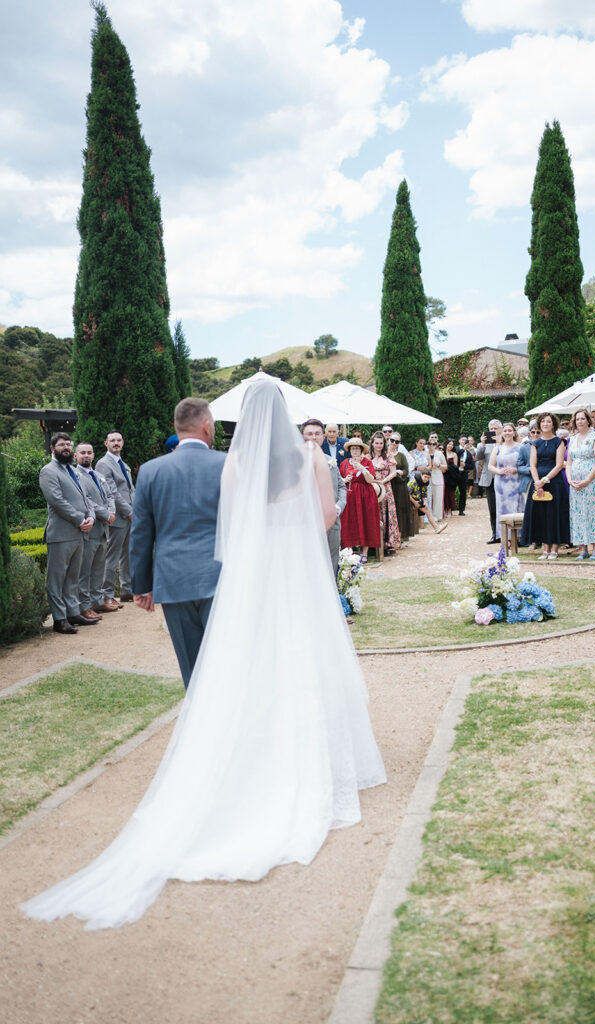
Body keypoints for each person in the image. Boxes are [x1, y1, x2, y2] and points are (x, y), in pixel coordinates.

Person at [22, 377, 386, 930]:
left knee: (209, 670)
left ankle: (213, 738)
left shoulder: (181, 468)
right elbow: (315, 519)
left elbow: (166, 529)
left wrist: (142, 581)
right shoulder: (263, 462)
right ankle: (271, 736)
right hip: (254, 580)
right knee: (271, 664)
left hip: (193, 580)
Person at [129, 398, 227, 689]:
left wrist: (141, 586)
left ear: (177, 426)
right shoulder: (228, 464)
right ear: (207, 426)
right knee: (225, 662)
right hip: (221, 577)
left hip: (173, 581)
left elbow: (141, 533)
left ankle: (199, 727)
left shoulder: (150, 471)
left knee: (192, 668)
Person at [38, 433, 96, 634]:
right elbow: (56, 500)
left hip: (79, 533)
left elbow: (86, 498)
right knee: (57, 579)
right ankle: (59, 619)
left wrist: (91, 518)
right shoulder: (48, 471)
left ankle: (73, 613)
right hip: (61, 534)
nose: (66, 448)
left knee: (72, 577)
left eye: (69, 445)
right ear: (52, 448)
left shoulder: (72, 470)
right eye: (62, 445)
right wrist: (80, 519)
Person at [74, 442, 116, 619]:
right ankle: (84, 606)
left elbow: (110, 495)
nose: (86, 455)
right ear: (76, 456)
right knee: (85, 570)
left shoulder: (99, 475)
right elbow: (87, 501)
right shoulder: (75, 475)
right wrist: (105, 513)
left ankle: (98, 602)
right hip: (90, 530)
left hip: (104, 529)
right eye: (82, 452)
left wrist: (112, 512)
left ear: (93, 455)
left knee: (99, 569)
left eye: (89, 452)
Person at [565, 409, 595, 560]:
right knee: (578, 513)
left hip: (592, 482)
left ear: (588, 420)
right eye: (577, 419)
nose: (579, 421)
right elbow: (569, 462)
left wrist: (587, 480)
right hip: (575, 483)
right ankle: (582, 548)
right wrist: (569, 479)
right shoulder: (572, 439)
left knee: (593, 512)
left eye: (582, 419)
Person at [520, 412, 570, 559]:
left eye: (548, 421)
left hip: (554, 482)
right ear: (539, 424)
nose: (545, 424)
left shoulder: (559, 442)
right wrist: (537, 482)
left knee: (554, 514)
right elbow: (532, 465)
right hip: (537, 484)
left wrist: (545, 480)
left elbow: (559, 464)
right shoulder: (535, 443)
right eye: (543, 422)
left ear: (553, 424)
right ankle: (545, 548)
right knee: (540, 515)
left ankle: (554, 548)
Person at [302, 419, 347, 575]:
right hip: (306, 522)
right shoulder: (295, 462)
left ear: (323, 436)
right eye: (309, 434)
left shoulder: (330, 460)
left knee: (332, 561)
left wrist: (338, 506)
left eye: (317, 434)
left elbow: (341, 487)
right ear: (303, 436)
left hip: (332, 521)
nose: (314, 437)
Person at [96, 430, 135, 605]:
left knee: (128, 555)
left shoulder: (123, 464)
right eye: (112, 440)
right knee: (112, 556)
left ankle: (127, 590)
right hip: (118, 517)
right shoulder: (103, 464)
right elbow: (112, 492)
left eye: (119, 440)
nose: (116, 443)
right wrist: (128, 511)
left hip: (129, 515)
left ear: (123, 442)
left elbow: (130, 489)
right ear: (106, 443)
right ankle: (107, 594)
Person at [339, 439, 381, 562]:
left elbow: (370, 480)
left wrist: (363, 468)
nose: (355, 451)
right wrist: (344, 480)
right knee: (349, 522)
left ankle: (365, 552)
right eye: (353, 449)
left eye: (357, 448)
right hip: (349, 496)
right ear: (350, 450)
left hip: (365, 496)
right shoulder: (345, 463)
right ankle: (349, 551)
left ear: (361, 450)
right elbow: (338, 480)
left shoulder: (367, 462)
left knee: (366, 520)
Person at [489, 423, 524, 540]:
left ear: (514, 432)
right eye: (505, 431)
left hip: (516, 482)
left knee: (517, 507)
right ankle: (505, 537)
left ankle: (518, 537)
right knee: (502, 509)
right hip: (501, 484)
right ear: (502, 433)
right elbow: (490, 466)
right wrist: (499, 472)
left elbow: (526, 465)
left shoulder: (521, 447)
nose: (507, 433)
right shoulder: (498, 448)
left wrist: (516, 469)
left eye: (510, 430)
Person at [370, 431, 401, 553]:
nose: (379, 445)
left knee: (387, 512)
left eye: (381, 443)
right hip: (372, 486)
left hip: (385, 486)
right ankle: (375, 542)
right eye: (376, 443)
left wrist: (383, 481)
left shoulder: (388, 456)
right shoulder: (368, 456)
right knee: (374, 512)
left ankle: (389, 542)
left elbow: (394, 472)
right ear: (372, 443)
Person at [387, 433, 414, 541]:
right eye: (392, 440)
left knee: (400, 510)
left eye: (397, 442)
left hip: (399, 485)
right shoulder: (384, 454)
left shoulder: (401, 456)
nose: (394, 443)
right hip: (387, 484)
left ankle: (400, 534)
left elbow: (407, 470)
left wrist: (400, 471)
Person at [476, 429, 498, 543]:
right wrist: (483, 444)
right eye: (491, 429)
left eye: (496, 429)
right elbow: (478, 457)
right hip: (490, 480)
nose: (493, 431)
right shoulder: (482, 444)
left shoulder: (504, 441)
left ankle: (507, 535)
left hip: (503, 479)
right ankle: (495, 534)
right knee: (492, 508)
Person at [428, 438, 446, 520]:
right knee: (427, 498)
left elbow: (445, 467)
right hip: (427, 478)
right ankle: (427, 516)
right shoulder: (424, 453)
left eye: (433, 444)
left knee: (438, 498)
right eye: (429, 443)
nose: (431, 445)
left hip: (438, 477)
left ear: (436, 445)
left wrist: (438, 465)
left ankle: (437, 516)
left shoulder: (440, 454)